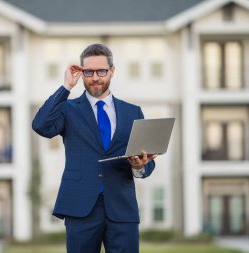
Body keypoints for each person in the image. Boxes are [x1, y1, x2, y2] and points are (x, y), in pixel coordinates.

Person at [32, 43, 157, 253]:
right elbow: (41, 126)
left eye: (101, 71)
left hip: (122, 208)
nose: (95, 77)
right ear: (81, 72)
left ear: (112, 71)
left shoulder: (132, 112)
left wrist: (140, 166)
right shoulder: (68, 109)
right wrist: (66, 87)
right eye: (88, 72)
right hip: (80, 206)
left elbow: (147, 162)